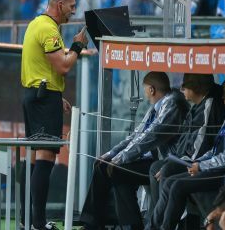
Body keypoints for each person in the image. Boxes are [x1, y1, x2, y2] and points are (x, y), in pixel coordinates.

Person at [80, 72, 190, 230]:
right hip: (151, 158)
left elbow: (150, 137)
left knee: (116, 170)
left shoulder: (172, 104)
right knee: (102, 165)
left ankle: (129, 225)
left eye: (145, 90)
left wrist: (120, 158)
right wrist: (112, 154)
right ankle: (93, 223)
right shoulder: (158, 105)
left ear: (151, 89)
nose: (144, 94)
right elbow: (138, 135)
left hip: (163, 163)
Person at [20, 0, 88, 230]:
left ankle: (26, 220)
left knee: (35, 156)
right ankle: (37, 223)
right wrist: (77, 46)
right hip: (42, 98)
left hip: (36, 94)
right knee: (45, 157)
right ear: (59, 5)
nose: (73, 11)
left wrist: (53, 95)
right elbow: (63, 66)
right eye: (71, 6)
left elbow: (39, 66)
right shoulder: (49, 29)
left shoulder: (35, 23)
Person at [147, 75, 225, 230]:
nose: (222, 97)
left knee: (177, 185)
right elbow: (215, 148)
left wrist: (202, 166)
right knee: (169, 182)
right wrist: (197, 163)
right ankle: (152, 227)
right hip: (213, 166)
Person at [148, 74, 225, 216]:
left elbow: (202, 144)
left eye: (185, 87)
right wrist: (171, 159)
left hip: (198, 161)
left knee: (167, 170)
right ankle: (155, 217)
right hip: (185, 156)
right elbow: (185, 137)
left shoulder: (210, 104)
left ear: (196, 88)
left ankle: (160, 222)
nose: (181, 90)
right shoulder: (197, 105)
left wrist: (177, 161)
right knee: (155, 168)